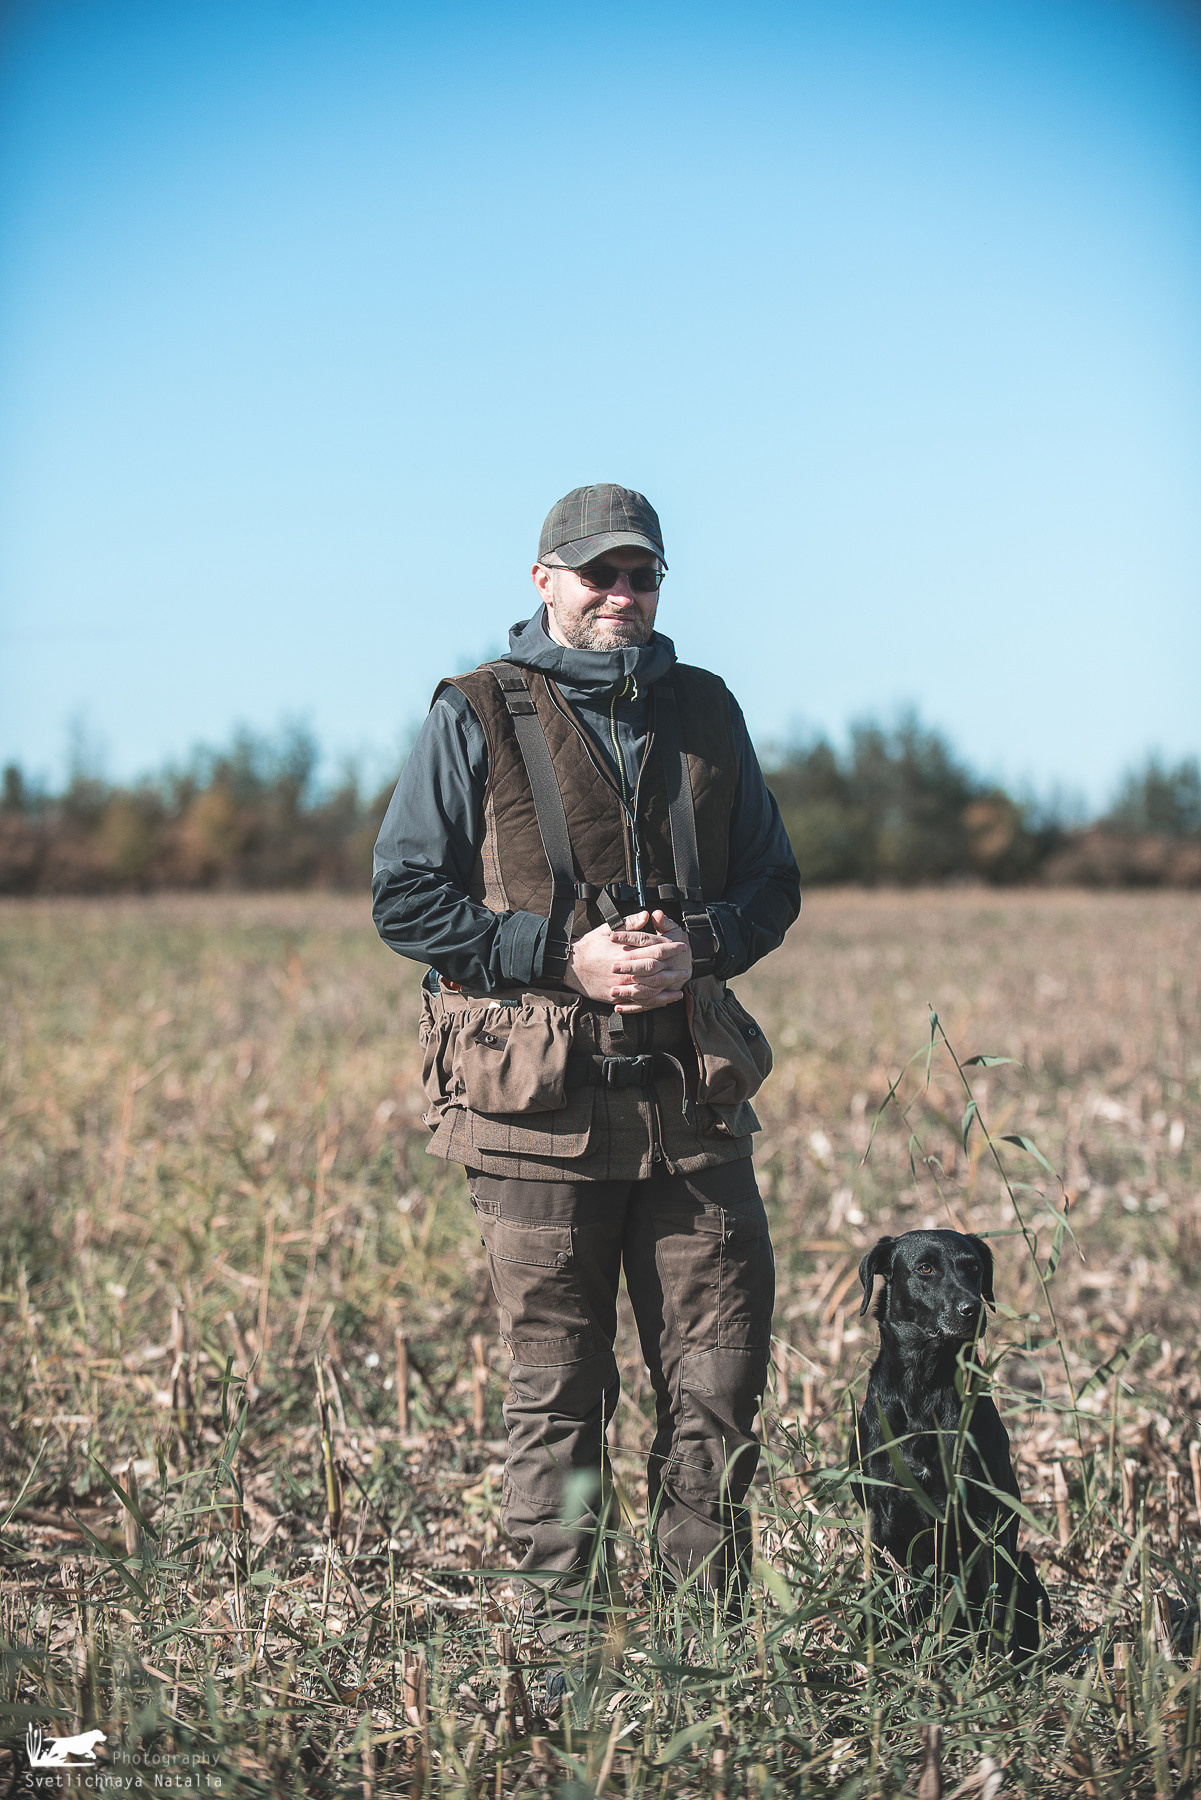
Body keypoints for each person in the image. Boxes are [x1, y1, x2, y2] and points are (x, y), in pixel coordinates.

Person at [372, 483, 800, 1639]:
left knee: (717, 1386)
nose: (621, 593)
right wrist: (564, 957)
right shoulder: (474, 710)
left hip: (691, 1109)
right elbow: (404, 896)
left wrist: (700, 948)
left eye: (640, 574)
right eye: (598, 572)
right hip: (535, 1117)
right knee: (559, 1396)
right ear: (543, 580)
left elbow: (773, 882)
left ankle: (703, 1645)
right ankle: (564, 1657)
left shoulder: (706, 708)